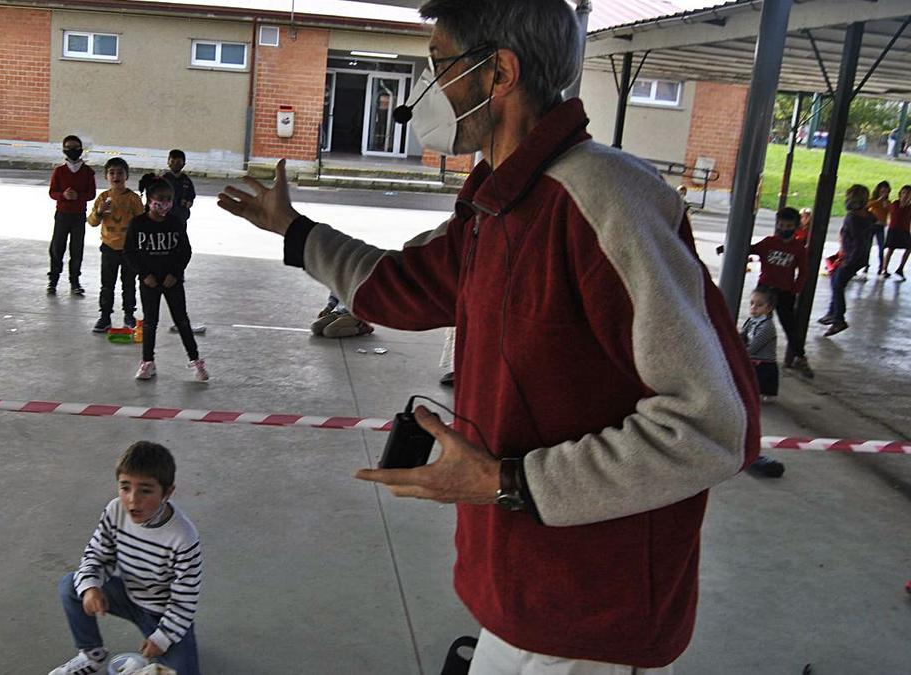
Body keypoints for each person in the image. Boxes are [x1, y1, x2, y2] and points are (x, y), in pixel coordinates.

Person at [217, 1, 760, 671]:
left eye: (440, 64)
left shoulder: (604, 199)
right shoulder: (498, 204)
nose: (430, 89)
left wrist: (507, 481)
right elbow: (403, 284)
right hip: (514, 597)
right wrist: (295, 232)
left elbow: (711, 426)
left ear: (498, 71)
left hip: (591, 622)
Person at [50, 441, 202, 675]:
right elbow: (96, 555)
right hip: (127, 595)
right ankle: (92, 654)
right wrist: (91, 588)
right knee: (71, 585)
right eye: (125, 487)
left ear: (168, 492)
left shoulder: (183, 537)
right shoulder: (114, 510)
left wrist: (162, 638)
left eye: (145, 490)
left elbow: (185, 602)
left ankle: (169, 641)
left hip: (163, 612)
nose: (132, 499)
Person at [125, 175, 208, 382]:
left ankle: (196, 361)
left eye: (169, 198)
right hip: (149, 282)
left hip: (172, 281)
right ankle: (147, 362)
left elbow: (185, 251)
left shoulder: (175, 222)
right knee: (150, 322)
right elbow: (129, 252)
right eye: (160, 198)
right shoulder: (138, 223)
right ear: (150, 199)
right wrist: (144, 275)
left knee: (182, 320)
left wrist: (175, 274)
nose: (165, 203)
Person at [752, 208, 813, 377]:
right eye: (781, 225)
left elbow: (803, 271)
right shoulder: (768, 242)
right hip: (764, 290)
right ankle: (753, 356)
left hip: (784, 292)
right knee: (758, 323)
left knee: (790, 327)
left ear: (796, 226)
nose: (784, 228)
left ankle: (800, 358)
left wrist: (795, 289)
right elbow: (750, 249)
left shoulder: (798, 248)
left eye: (788, 225)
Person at [88, 157, 145, 332]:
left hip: (129, 250)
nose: (116, 176)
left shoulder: (133, 198)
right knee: (107, 284)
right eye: (112, 173)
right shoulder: (103, 198)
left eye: (120, 173)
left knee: (128, 284)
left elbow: (142, 221)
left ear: (126, 176)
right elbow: (92, 222)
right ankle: (105, 317)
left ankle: (129, 315)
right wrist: (99, 212)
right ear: (106, 176)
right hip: (109, 248)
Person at [821, 185, 876, 336]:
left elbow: (858, 243)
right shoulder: (868, 216)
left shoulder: (853, 218)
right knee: (835, 280)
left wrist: (848, 261)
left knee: (838, 285)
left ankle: (838, 319)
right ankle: (832, 312)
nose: (848, 202)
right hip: (856, 257)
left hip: (852, 258)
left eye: (852, 199)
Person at [162, 149, 206, 335]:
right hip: (166, 222)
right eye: (173, 160)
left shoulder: (186, 181)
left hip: (181, 221)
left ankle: (176, 272)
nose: (176, 163)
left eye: (179, 161)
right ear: (168, 162)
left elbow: (191, 197)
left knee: (181, 249)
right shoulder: (163, 179)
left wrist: (187, 202)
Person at [741, 288, 784, 476]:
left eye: (759, 305)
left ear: (769, 308)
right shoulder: (751, 321)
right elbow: (742, 338)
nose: (754, 308)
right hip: (753, 363)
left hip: (763, 366)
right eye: (752, 303)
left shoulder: (767, 327)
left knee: (753, 396)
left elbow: (753, 347)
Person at [48, 135, 97, 296]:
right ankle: (53, 281)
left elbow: (91, 194)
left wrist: (78, 196)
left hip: (78, 216)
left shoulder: (88, 172)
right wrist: (63, 195)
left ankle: (75, 282)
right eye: (68, 148)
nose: (72, 151)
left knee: (77, 250)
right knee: (57, 248)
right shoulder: (59, 171)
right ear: (64, 150)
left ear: (81, 150)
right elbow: (52, 192)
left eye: (76, 148)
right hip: (62, 215)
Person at [310, 293, 374, 338]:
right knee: (315, 327)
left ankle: (362, 329)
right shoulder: (339, 280)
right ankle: (342, 325)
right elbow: (334, 297)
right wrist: (327, 309)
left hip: (354, 315)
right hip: (339, 312)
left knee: (329, 331)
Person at [862, 180, 891, 278]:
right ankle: (865, 265)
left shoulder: (887, 203)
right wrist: (879, 200)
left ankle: (881, 267)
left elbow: (889, 212)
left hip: (880, 227)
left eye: (886, 191)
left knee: (881, 247)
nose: (884, 193)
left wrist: (887, 207)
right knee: (867, 246)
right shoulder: (874, 201)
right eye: (882, 191)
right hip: (872, 225)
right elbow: (868, 206)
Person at [882, 184, 911, 280]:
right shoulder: (895, 204)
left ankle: (900, 268)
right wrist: (903, 205)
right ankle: (884, 269)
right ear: (900, 194)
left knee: (909, 248)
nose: (906, 195)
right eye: (904, 193)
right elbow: (895, 213)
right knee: (890, 249)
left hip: (905, 230)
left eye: (908, 194)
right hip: (894, 230)